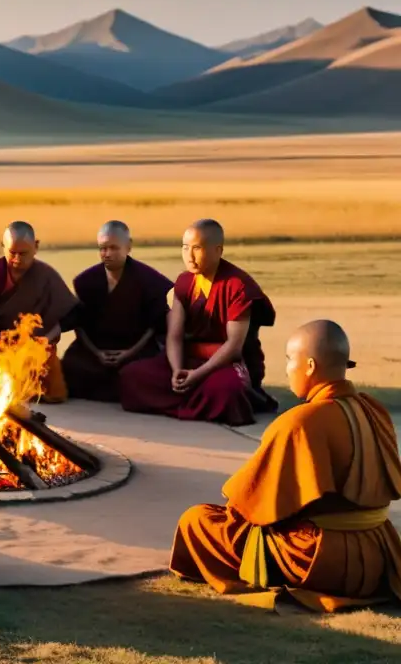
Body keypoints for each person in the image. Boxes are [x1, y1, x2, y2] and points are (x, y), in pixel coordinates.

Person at [170, 320, 401, 612]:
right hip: (379, 554)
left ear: (310, 366)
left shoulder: (301, 422)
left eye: (291, 360)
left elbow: (248, 507)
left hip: (323, 562)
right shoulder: (374, 410)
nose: (288, 368)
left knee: (197, 521)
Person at [119, 219, 277, 425]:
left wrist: (197, 375)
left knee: (228, 391)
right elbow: (174, 335)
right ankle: (197, 402)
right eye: (185, 248)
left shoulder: (237, 286)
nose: (190, 256)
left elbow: (234, 347)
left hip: (224, 363)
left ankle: (191, 400)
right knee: (130, 376)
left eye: (197, 248)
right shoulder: (185, 282)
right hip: (188, 358)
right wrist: (176, 369)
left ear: (217, 250)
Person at [0, 221, 79, 401]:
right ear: (3, 247)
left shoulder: (46, 275)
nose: (17, 259)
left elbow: (69, 315)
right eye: (12, 253)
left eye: (23, 253)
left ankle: (25, 390)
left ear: (36, 247)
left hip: (35, 346)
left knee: (55, 392)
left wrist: (43, 341)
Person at [61, 221, 174, 402]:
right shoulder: (86, 280)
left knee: (139, 373)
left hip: (136, 349)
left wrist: (128, 353)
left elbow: (155, 325)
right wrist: (96, 353)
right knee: (70, 367)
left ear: (128, 247)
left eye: (114, 248)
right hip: (95, 350)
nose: (107, 254)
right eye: (103, 248)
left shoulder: (148, 280)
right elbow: (79, 323)